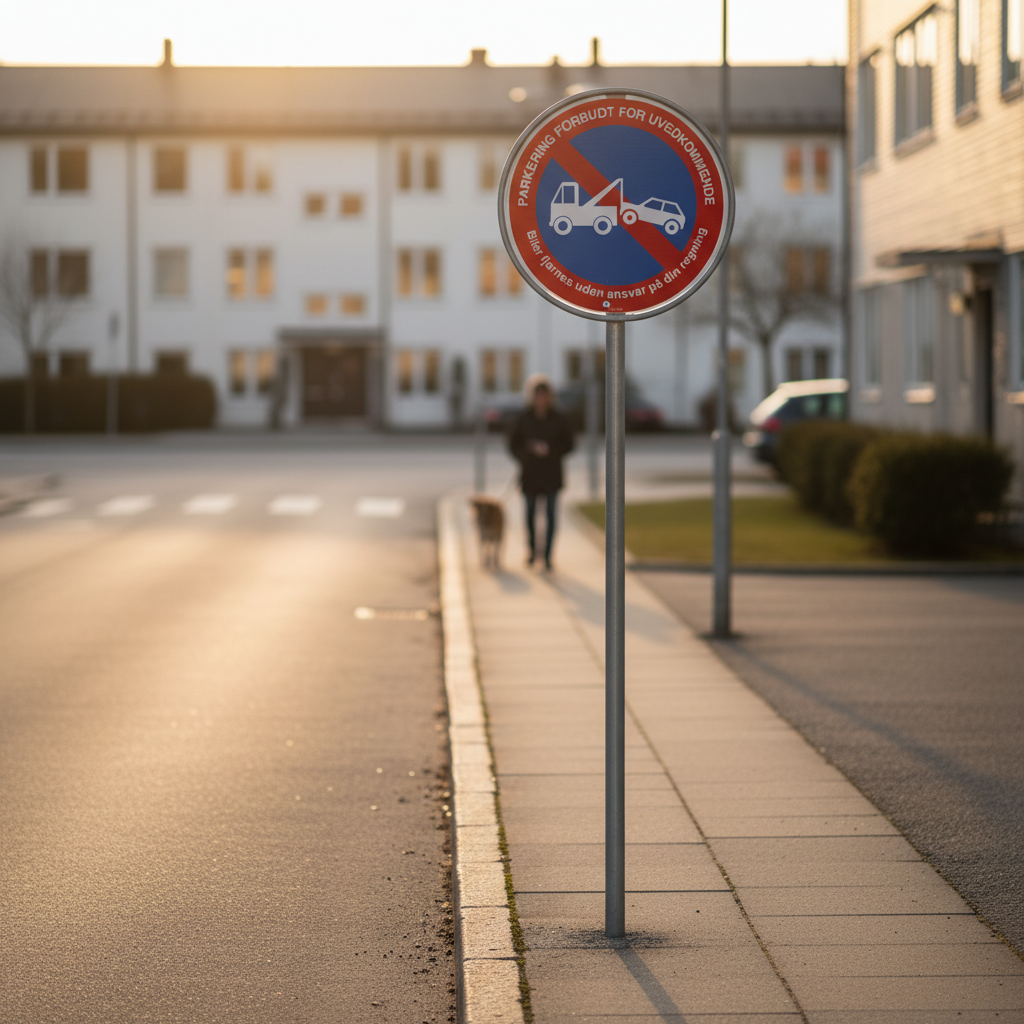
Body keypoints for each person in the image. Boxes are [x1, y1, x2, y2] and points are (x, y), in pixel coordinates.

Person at [508, 375, 574, 571]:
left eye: (544, 396)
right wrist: (527, 453)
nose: (541, 400)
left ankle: (547, 555)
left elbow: (570, 444)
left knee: (551, 515)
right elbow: (513, 444)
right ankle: (531, 551)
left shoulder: (559, 418)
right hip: (530, 474)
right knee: (529, 514)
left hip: (552, 473)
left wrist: (550, 450)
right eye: (538, 396)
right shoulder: (523, 418)